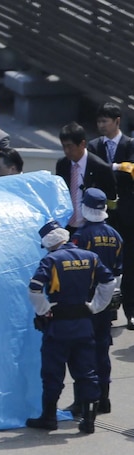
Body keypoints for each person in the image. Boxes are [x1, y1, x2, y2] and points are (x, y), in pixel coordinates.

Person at [25, 220, 115, 434]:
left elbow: (34, 288)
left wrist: (44, 309)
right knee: (86, 372)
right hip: (84, 323)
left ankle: (49, 418)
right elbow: (109, 281)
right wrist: (96, 306)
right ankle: (89, 420)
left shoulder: (51, 260)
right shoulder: (90, 257)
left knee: (52, 373)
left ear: (48, 243)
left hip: (58, 327)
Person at [63, 189, 123, 416]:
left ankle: (83, 401)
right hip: (107, 300)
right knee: (102, 349)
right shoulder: (116, 236)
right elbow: (117, 271)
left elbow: (77, 270)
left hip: (85, 301)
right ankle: (104, 398)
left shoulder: (80, 236)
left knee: (81, 352)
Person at [85, 103, 134, 329]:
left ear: (117, 121)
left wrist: (109, 167)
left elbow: (130, 170)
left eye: (105, 121)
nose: (101, 125)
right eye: (99, 121)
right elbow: (93, 172)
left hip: (127, 215)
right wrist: (116, 167)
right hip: (101, 215)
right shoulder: (94, 146)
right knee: (101, 264)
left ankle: (131, 312)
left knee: (130, 264)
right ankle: (102, 312)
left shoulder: (130, 145)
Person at [55, 122, 116, 233]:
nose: (66, 151)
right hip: (66, 227)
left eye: (70, 146)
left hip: (90, 229)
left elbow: (111, 203)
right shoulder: (62, 164)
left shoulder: (101, 168)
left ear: (82, 144)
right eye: (64, 146)